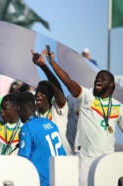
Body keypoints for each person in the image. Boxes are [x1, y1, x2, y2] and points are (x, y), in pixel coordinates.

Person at [46, 49, 123, 186]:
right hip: (85, 159)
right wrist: (52, 62)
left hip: (107, 159)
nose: (98, 79)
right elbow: (69, 82)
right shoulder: (88, 97)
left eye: (103, 78)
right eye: (97, 78)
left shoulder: (119, 107)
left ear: (111, 85)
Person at [17, 92, 66, 186]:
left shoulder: (27, 127)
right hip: (61, 178)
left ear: (19, 108)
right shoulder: (50, 123)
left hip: (44, 182)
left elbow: (23, 162)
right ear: (35, 106)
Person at [31, 49, 72, 155]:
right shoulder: (33, 116)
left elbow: (58, 90)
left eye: (43, 92)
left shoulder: (58, 109)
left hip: (63, 162)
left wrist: (43, 66)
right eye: (37, 91)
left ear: (51, 95)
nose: (38, 94)